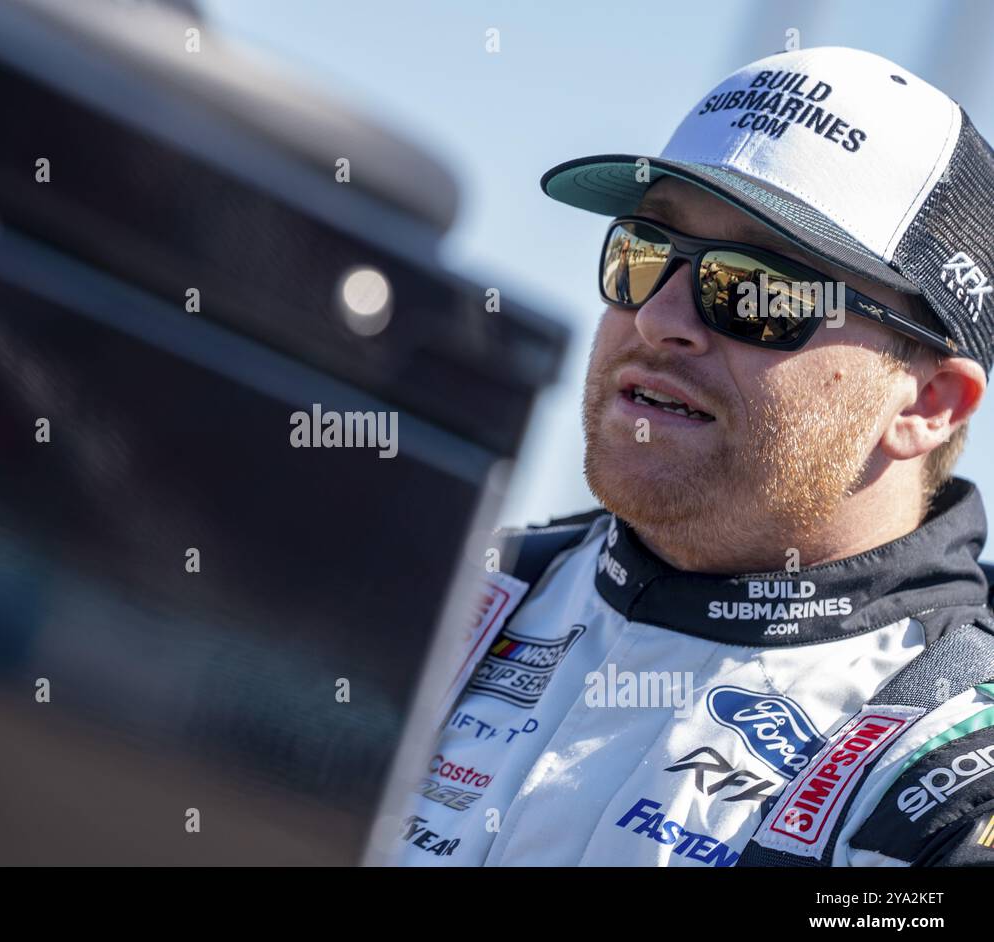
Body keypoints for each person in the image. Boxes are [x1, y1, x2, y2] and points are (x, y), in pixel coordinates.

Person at [396, 47, 994, 867]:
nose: (658, 318)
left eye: (755, 289)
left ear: (928, 405)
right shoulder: (445, 598)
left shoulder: (955, 783)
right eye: (642, 253)